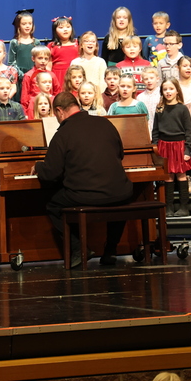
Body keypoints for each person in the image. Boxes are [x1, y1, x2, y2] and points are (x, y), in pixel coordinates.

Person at [37, 91, 137, 268]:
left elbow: (50, 175)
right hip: (120, 190)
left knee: (53, 205)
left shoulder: (63, 133)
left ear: (60, 111)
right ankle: (110, 250)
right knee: (118, 197)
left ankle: (79, 249)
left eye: (56, 115)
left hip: (87, 194)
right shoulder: (105, 123)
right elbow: (120, 155)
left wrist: (38, 166)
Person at [154, 79, 191, 217]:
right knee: (168, 177)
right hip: (164, 146)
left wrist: (187, 149)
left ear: (177, 90)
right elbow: (155, 131)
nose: (168, 92)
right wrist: (155, 148)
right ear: (162, 92)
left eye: (171, 89)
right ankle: (168, 207)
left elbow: (189, 131)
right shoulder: (159, 109)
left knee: (181, 175)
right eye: (165, 89)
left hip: (179, 146)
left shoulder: (182, 109)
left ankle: (184, 207)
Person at [7, 9, 41, 78]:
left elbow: (39, 60)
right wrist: (21, 74)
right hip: (19, 76)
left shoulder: (36, 43)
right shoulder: (15, 43)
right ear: (18, 25)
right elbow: (11, 63)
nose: (27, 26)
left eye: (30, 23)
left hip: (34, 76)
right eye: (24, 24)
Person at [47, 16, 79, 82]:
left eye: (68, 27)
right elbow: (48, 66)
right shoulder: (52, 46)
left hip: (75, 76)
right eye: (61, 27)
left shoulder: (78, 44)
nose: (65, 29)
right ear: (55, 30)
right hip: (58, 77)